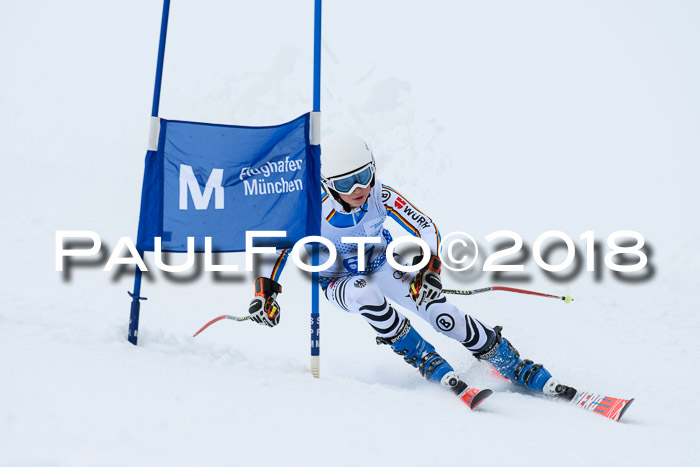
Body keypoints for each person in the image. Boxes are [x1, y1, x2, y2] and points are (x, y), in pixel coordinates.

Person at [247, 132, 576, 408]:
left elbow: (425, 226)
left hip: (382, 263)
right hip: (339, 280)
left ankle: (509, 361)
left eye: (364, 175)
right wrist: (265, 293)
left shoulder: (381, 195)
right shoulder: (309, 209)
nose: (359, 188)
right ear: (328, 184)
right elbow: (278, 248)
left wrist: (429, 270)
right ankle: (422, 356)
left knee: (438, 310)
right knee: (367, 292)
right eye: (347, 183)